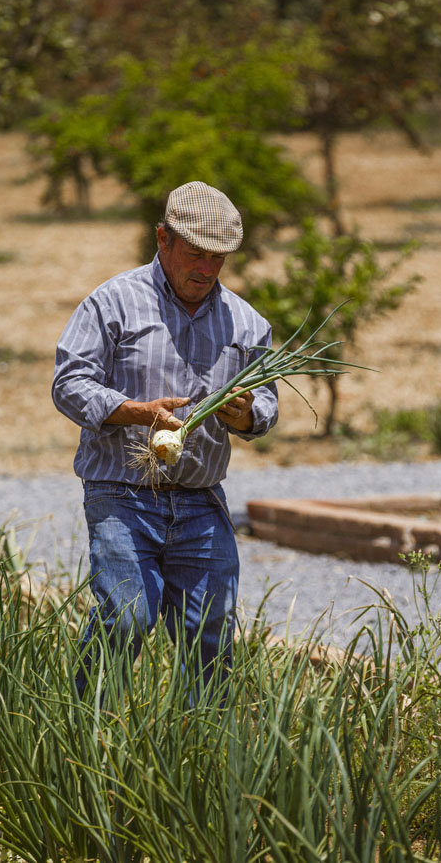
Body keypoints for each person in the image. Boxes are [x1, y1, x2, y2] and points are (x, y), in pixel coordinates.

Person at [52, 181, 278, 698]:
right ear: (163, 239)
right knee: (127, 618)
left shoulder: (246, 322)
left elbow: (266, 404)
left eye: (218, 258)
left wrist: (245, 417)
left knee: (212, 632)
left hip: (201, 500)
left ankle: (201, 752)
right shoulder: (113, 302)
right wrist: (134, 412)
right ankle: (85, 731)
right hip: (121, 491)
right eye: (195, 253)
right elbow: (69, 385)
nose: (206, 268)